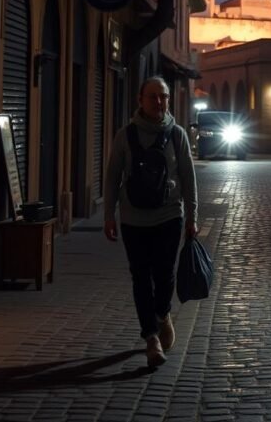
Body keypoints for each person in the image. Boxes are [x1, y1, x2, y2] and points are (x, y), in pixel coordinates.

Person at [104, 77, 198, 369]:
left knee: (165, 275)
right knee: (140, 277)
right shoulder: (125, 135)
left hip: (169, 216)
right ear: (140, 100)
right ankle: (151, 338)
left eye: (164, 96)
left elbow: (187, 176)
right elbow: (112, 175)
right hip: (133, 218)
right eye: (153, 96)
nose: (159, 102)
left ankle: (162, 313)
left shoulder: (177, 134)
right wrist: (109, 214)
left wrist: (193, 216)